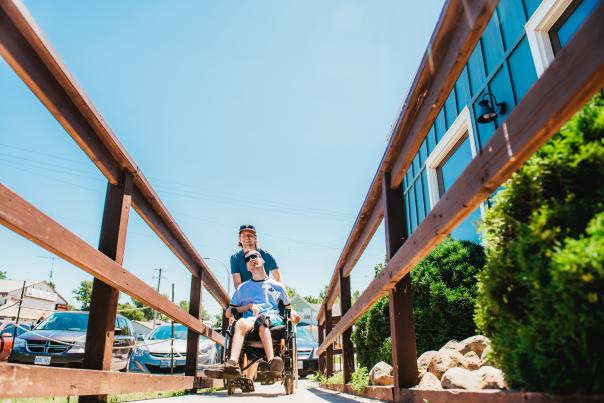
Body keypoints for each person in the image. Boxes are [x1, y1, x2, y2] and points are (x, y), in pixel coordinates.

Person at [206, 250, 299, 380]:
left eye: (254, 256)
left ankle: (273, 362)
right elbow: (229, 312)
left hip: (272, 319)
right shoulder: (243, 288)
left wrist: (293, 313)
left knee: (262, 320)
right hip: (250, 320)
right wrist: (248, 306)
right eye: (247, 260)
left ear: (263, 260)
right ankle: (232, 365)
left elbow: (288, 308)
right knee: (240, 323)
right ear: (247, 267)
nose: (251, 260)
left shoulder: (277, 286)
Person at [230, 224, 283, 290]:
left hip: (265, 292)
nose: (247, 237)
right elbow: (237, 283)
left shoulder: (266, 255)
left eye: (250, 235)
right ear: (240, 239)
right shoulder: (235, 258)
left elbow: (278, 278)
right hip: (247, 295)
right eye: (243, 235)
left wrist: (278, 294)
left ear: (255, 238)